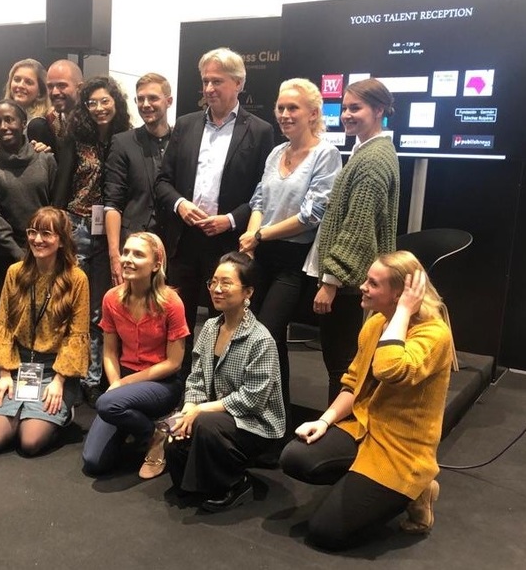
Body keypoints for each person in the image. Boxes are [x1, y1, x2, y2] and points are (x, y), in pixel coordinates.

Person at [280, 251, 457, 550]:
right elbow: (352, 384)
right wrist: (324, 421)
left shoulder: (434, 335)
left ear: (400, 295)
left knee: (325, 532)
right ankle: (363, 484)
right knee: (295, 457)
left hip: (402, 450)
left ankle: (417, 490)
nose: (362, 286)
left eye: (373, 284)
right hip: (365, 428)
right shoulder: (376, 324)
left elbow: (390, 368)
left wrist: (402, 313)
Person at [155, 48, 274, 376]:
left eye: (217, 81)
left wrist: (231, 219)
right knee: (179, 319)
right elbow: (162, 182)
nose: (209, 89)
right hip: (184, 241)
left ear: (238, 83)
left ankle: (217, 386)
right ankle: (178, 388)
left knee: (225, 321)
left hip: (227, 245)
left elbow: (264, 191)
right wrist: (181, 205)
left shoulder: (260, 131)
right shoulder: (186, 125)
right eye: (205, 81)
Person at [238, 77, 341, 411]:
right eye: (280, 107)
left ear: (313, 113)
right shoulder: (275, 153)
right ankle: (267, 410)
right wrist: (251, 240)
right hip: (261, 255)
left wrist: (260, 235)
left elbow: (311, 215)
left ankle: (274, 416)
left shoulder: (326, 155)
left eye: (292, 107)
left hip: (293, 260)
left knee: (268, 333)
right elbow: (259, 200)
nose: (284, 114)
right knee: (258, 335)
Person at [164, 252, 285, 513]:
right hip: (216, 417)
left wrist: (199, 411)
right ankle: (201, 481)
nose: (217, 289)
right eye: (213, 282)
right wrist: (188, 409)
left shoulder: (261, 339)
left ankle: (235, 483)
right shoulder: (209, 327)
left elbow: (252, 400)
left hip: (254, 425)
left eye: (226, 283)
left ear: (248, 292)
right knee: (175, 434)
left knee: (205, 425)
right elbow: (195, 377)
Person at [306, 77, 400, 402]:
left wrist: (330, 281)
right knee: (344, 364)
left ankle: (340, 438)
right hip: (353, 281)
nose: (346, 114)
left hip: (349, 284)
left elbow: (357, 230)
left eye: (355, 107)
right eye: (345, 107)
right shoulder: (368, 151)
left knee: (342, 366)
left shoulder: (373, 159)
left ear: (379, 110)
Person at [0, 207, 89, 457]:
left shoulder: (77, 279)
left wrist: (59, 380)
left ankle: (65, 411)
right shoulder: (15, 273)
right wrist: (5, 373)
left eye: (46, 233)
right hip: (18, 364)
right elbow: (4, 325)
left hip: (55, 369)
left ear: (61, 240)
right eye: (33, 232)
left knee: (29, 444)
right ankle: (24, 409)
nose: (37, 240)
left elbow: (77, 334)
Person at [81, 232, 189, 478]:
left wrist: (120, 386)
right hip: (125, 384)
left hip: (162, 384)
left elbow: (174, 363)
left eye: (138, 254)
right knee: (93, 461)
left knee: (106, 403)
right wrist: (116, 383)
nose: (127, 259)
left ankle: (155, 437)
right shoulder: (112, 298)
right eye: (126, 252)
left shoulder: (172, 302)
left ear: (156, 264)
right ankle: (153, 429)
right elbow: (109, 351)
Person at [56, 76, 132, 407]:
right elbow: (62, 181)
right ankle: (71, 370)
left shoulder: (126, 139)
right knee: (74, 303)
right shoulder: (76, 138)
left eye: (105, 101)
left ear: (116, 104)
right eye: (92, 103)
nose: (99, 108)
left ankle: (94, 376)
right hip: (77, 225)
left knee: (103, 306)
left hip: (112, 230)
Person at [104, 72, 174, 286]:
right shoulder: (122, 143)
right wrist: (115, 254)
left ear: (168, 101)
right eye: (140, 99)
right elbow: (112, 204)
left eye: (152, 98)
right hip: (133, 246)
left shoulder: (183, 139)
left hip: (175, 247)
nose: (145, 104)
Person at [0, 99, 57, 289]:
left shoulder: (45, 158)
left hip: (46, 250)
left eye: (9, 120)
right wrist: (19, 254)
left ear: (23, 124)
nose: (3, 126)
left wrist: (44, 246)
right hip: (8, 256)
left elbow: (56, 205)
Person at [1, 58, 55, 148]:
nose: (21, 85)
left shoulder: (38, 126)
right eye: (17, 79)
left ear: (40, 91)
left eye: (28, 82)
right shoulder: (5, 118)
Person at [45, 59, 83, 146]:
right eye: (50, 86)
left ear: (80, 88)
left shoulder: (94, 119)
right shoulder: (50, 120)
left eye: (61, 85)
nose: (55, 92)